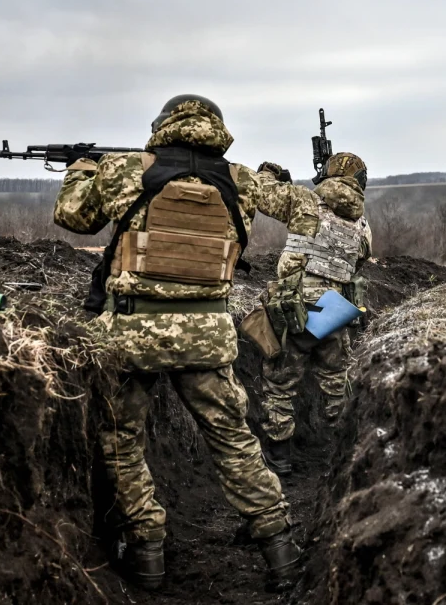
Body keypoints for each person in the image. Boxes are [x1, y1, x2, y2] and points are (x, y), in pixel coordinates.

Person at [52, 94, 316, 593]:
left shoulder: (128, 169)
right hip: (209, 336)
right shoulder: (241, 180)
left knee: (122, 442)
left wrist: (83, 169)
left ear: (162, 125)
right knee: (233, 439)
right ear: (215, 128)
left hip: (132, 334)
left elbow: (72, 215)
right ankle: (279, 545)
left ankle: (148, 551)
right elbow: (302, 208)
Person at [252, 153, 373, 475]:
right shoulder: (362, 225)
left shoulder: (304, 202)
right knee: (336, 380)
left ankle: (278, 459)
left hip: (295, 308)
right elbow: (355, 265)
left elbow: (261, 194)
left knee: (279, 385)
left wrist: (269, 172)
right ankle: (345, 453)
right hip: (334, 310)